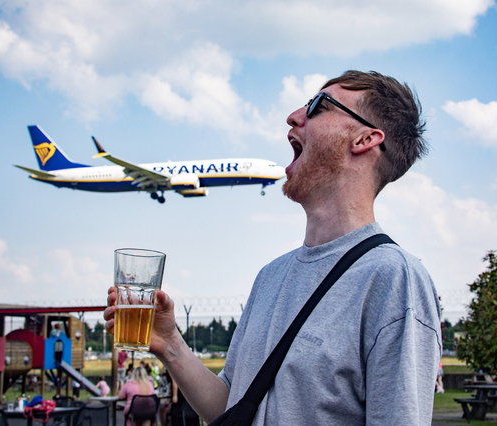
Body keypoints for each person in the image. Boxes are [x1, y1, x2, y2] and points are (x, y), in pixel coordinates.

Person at [105, 70, 442, 425]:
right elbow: (229, 409)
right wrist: (170, 344)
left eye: (319, 105)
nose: (294, 116)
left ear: (364, 139)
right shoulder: (271, 276)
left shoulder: (393, 279)